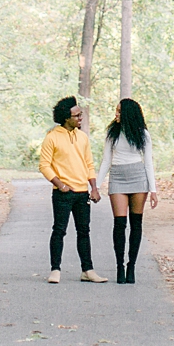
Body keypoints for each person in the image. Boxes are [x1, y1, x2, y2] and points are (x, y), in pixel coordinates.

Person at [38, 96, 109, 284]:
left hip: (82, 192)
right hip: (62, 193)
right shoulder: (52, 137)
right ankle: (55, 270)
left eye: (81, 114)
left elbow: (89, 164)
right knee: (59, 230)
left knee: (84, 231)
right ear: (66, 117)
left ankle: (88, 270)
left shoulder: (82, 137)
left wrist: (94, 188)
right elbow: (44, 165)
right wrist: (60, 184)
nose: (80, 118)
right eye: (77, 115)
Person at [96, 97, 158, 284]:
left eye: (119, 111)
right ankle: (119, 267)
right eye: (116, 110)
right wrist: (96, 186)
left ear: (128, 114)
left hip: (138, 177)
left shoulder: (143, 134)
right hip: (118, 177)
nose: (116, 114)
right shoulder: (112, 133)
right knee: (120, 224)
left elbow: (148, 162)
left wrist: (153, 190)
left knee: (136, 223)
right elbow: (106, 160)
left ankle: (132, 266)